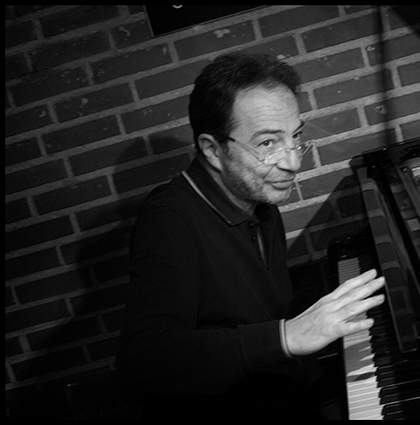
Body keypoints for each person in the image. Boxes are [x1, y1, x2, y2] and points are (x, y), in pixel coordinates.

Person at [116, 52, 385, 420]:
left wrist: (323, 396)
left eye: (295, 137)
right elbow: (144, 358)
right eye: (267, 144)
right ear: (213, 150)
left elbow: (275, 321)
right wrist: (286, 337)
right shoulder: (169, 221)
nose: (292, 162)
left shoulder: (260, 203)